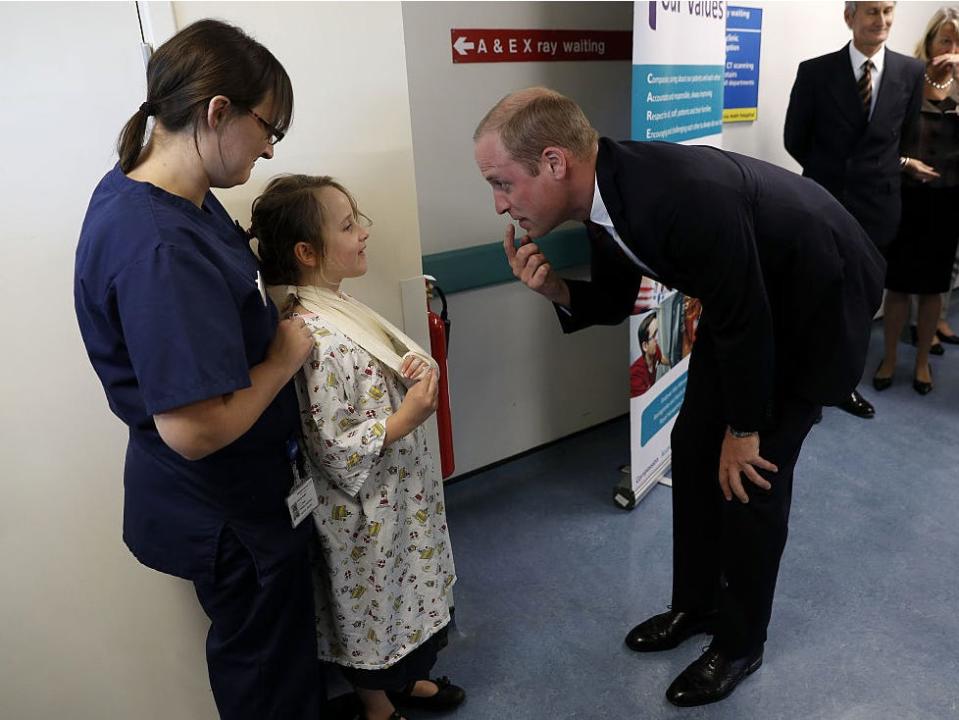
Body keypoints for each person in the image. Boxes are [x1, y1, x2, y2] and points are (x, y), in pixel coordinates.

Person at [473, 88, 885, 707]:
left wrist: (745, 430)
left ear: (554, 163)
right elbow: (617, 301)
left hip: (813, 303)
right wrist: (558, 289)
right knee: (694, 447)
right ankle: (695, 606)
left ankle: (742, 642)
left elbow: (748, 316)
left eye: (502, 183)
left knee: (752, 476)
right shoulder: (604, 194)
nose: (500, 204)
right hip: (748, 301)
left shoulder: (677, 195)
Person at [73, 20, 324, 719]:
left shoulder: (175, 198)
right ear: (218, 112)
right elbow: (195, 430)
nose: (270, 148)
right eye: (268, 128)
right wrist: (283, 357)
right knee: (264, 676)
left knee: (280, 652)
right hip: (221, 504)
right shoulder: (157, 245)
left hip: (249, 490)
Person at [249, 175, 465, 720]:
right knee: (374, 608)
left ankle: (407, 680)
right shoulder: (308, 334)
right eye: (348, 225)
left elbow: (374, 371)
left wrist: (411, 369)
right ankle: (376, 703)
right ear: (306, 251)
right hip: (365, 508)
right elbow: (334, 446)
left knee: (407, 593)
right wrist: (408, 415)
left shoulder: (339, 308)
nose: (364, 232)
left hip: (399, 494)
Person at [784, 0, 923, 418]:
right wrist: (833, 177)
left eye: (887, 11)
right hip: (825, 205)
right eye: (871, 11)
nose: (881, 21)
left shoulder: (910, 72)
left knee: (862, 301)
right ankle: (805, 383)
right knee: (817, 294)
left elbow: (908, 138)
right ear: (850, 17)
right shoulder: (815, 71)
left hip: (879, 208)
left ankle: (844, 385)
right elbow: (796, 139)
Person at [874, 7, 959, 395]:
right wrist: (907, 165)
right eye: (946, 39)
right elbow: (885, 135)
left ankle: (922, 361)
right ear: (929, 42)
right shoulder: (908, 77)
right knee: (899, 285)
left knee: (933, 289)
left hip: (947, 202)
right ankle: (890, 357)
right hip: (907, 197)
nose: (952, 48)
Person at [630, 313, 668, 398]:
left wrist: (674, 364)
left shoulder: (655, 351)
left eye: (657, 333)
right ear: (645, 346)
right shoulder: (635, 375)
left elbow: (662, 358)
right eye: (654, 335)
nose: (657, 339)